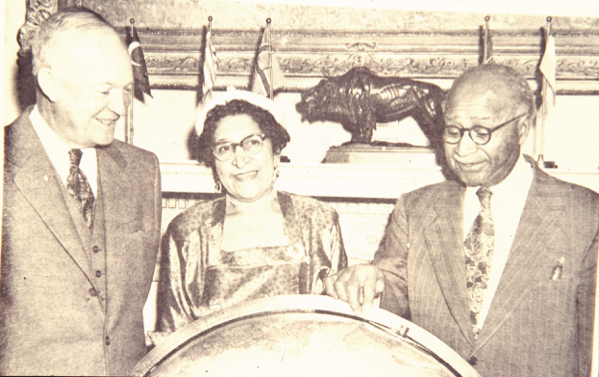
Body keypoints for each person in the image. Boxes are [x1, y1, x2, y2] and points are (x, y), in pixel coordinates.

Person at [325, 64, 598, 377]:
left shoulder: (584, 214)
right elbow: (388, 297)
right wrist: (364, 281)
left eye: (482, 133)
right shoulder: (415, 209)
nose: (463, 150)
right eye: (452, 132)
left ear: (522, 128)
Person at [1, 9, 161, 376]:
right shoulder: (4, 160)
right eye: (103, 91)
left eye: (125, 90)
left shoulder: (143, 171)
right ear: (50, 85)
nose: (119, 108)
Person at [154, 89, 347, 334]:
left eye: (252, 143)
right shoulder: (189, 231)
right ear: (213, 161)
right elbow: (174, 338)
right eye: (224, 148)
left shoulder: (318, 221)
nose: (240, 159)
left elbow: (340, 327)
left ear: (275, 150)